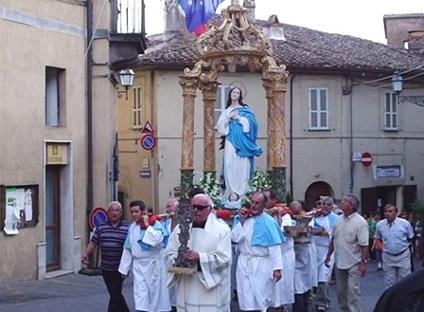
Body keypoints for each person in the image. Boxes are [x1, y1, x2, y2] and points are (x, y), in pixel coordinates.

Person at [166, 194, 232, 312]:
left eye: (200, 207)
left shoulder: (222, 230)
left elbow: (224, 259)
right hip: (187, 284)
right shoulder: (181, 228)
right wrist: (180, 259)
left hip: (210, 288)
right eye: (193, 207)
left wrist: (200, 257)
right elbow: (169, 253)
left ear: (209, 209)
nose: (195, 210)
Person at [232, 191, 284, 312]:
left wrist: (277, 269)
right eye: (252, 202)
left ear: (264, 205)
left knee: (262, 298)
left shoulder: (269, 222)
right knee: (246, 298)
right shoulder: (243, 219)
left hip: (262, 265)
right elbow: (235, 238)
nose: (254, 205)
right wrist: (241, 221)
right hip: (244, 263)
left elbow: (275, 247)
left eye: (257, 203)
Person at [118, 200, 171, 312]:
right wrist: (124, 269)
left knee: (155, 295)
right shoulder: (132, 227)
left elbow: (157, 240)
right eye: (131, 212)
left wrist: (147, 226)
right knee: (140, 294)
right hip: (138, 266)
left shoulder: (155, 224)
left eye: (136, 211)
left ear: (143, 212)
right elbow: (128, 248)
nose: (133, 214)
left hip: (153, 265)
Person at [81, 201, 130, 312]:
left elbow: (131, 247)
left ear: (121, 213)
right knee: (115, 294)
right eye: (112, 210)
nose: (114, 213)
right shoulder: (101, 227)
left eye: (117, 210)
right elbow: (93, 243)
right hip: (106, 268)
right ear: (108, 213)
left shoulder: (127, 228)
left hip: (120, 268)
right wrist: (85, 255)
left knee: (114, 295)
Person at [325, 194, 369, 312]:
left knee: (353, 291)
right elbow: (333, 239)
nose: (340, 202)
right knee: (341, 292)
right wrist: (328, 255)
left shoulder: (360, 222)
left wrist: (363, 263)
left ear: (351, 205)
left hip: (354, 262)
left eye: (344, 201)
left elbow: (364, 245)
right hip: (340, 262)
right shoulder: (338, 220)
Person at [215, 87, 263, 196]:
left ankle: (243, 192)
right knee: (229, 163)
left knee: (243, 164)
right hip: (231, 139)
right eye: (233, 92)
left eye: (237, 92)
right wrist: (228, 118)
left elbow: (252, 125)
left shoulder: (245, 110)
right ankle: (231, 192)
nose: (235, 94)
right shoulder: (226, 111)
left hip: (243, 141)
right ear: (230, 94)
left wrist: (238, 118)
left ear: (240, 96)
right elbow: (220, 127)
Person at [375, 204, 414, 289]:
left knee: (405, 280)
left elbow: (410, 237)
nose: (387, 214)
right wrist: (383, 248)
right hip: (388, 256)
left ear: (395, 213)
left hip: (403, 255)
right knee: (389, 283)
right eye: (385, 211)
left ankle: (405, 301)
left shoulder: (405, 224)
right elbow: (378, 238)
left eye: (390, 211)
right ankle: (391, 301)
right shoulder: (380, 225)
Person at [289, 201, 318, 312]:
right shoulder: (291, 219)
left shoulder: (308, 218)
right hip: (296, 255)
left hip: (306, 254)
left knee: (303, 286)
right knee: (298, 286)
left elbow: (306, 232)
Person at [313, 196, 339, 312]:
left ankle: (321, 302)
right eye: (324, 204)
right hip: (315, 250)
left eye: (328, 205)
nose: (326, 206)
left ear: (332, 207)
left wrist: (326, 232)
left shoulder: (336, 218)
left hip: (328, 250)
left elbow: (335, 234)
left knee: (323, 276)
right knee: (316, 277)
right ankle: (324, 299)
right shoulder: (315, 217)